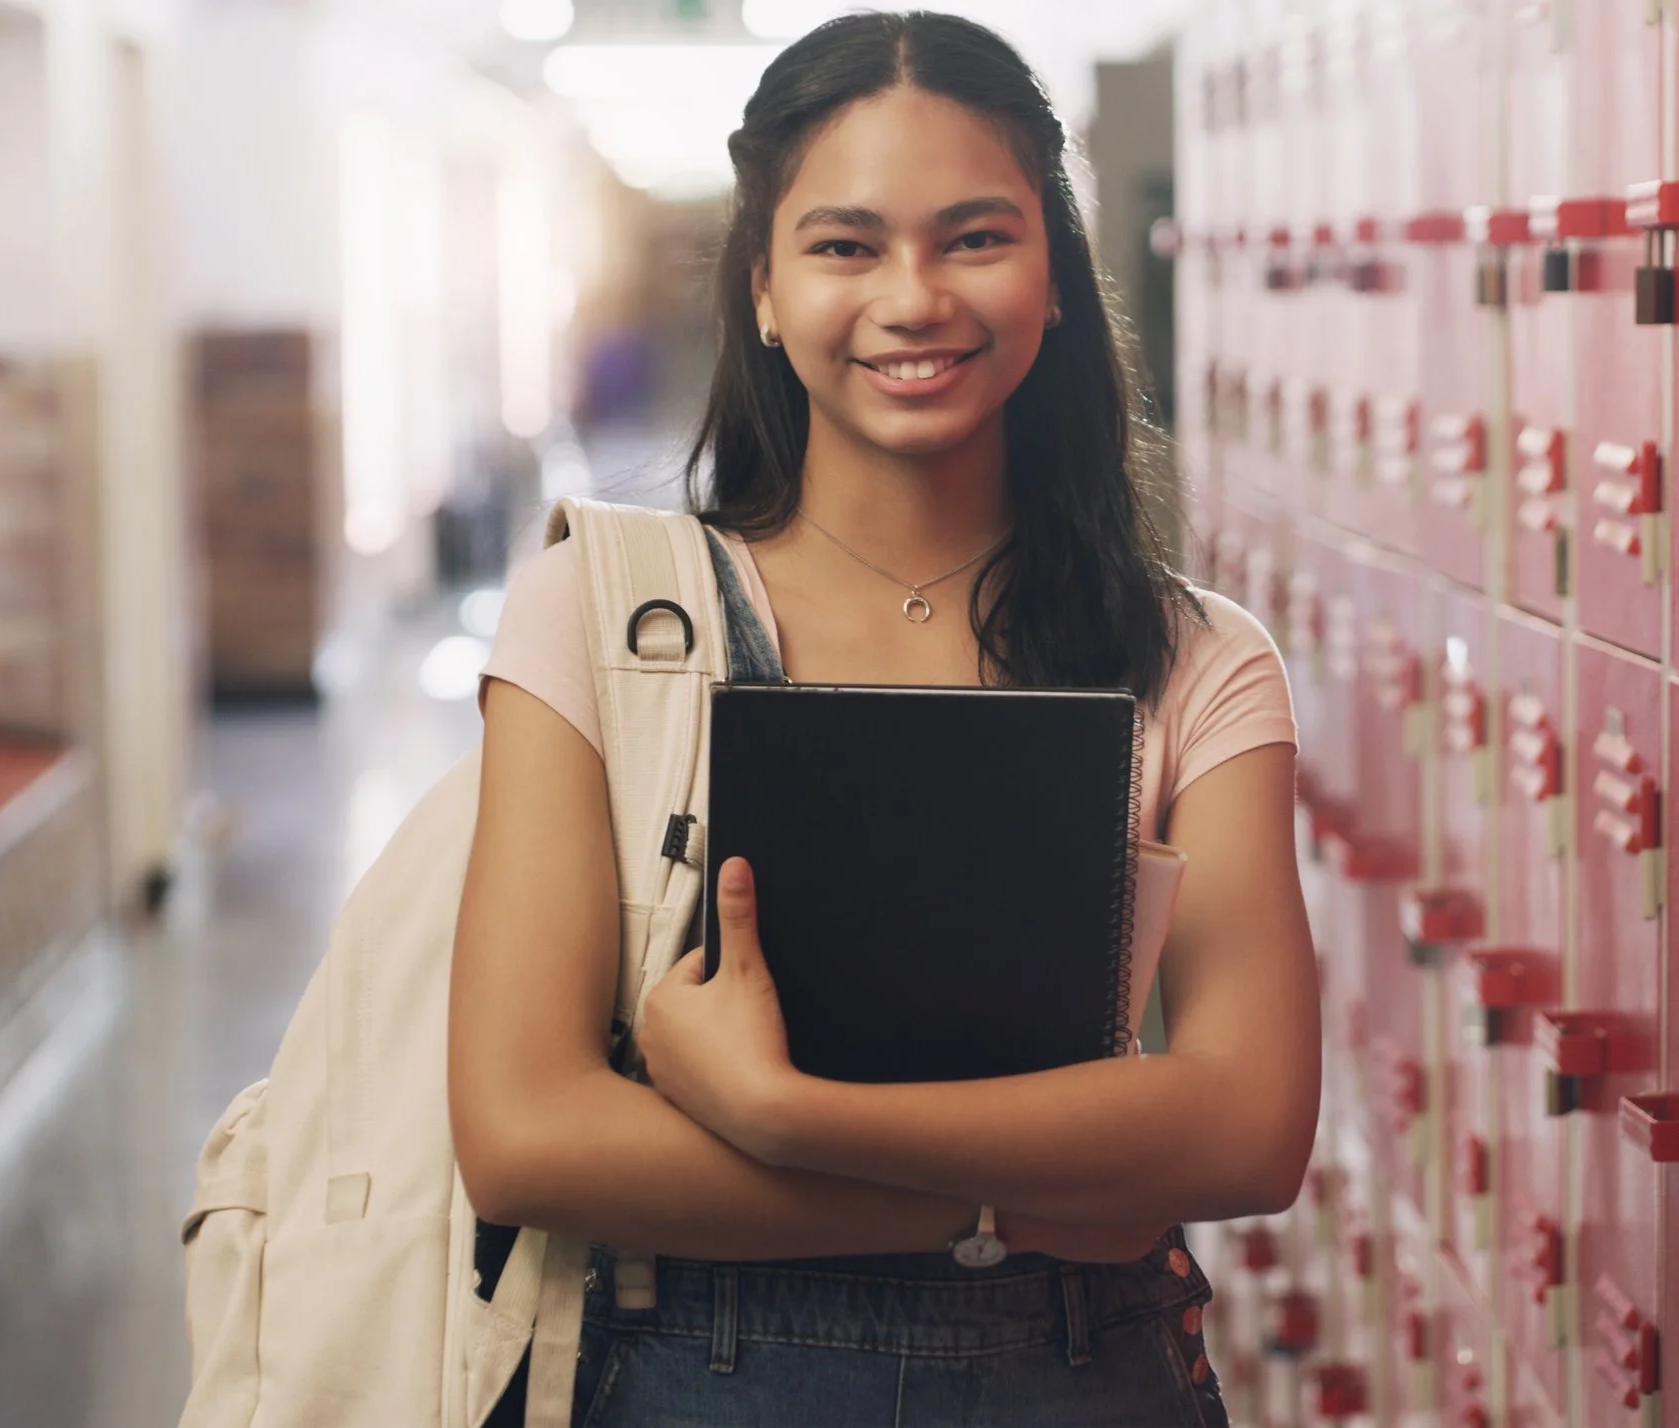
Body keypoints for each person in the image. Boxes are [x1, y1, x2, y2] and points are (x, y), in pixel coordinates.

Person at [453, 11, 1316, 1426]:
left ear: (1056, 280)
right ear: (766, 292)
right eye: (845, 246)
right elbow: (527, 1135)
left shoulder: (1197, 660)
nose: (913, 298)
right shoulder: (605, 618)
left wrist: (788, 1115)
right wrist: (1014, 1200)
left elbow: (1251, 1125)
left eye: (975, 237)